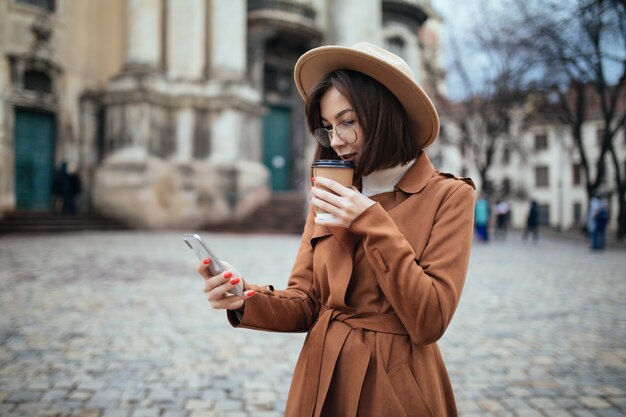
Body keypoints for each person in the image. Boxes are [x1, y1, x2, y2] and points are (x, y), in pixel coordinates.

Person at [197, 42, 476, 417]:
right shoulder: (330, 191)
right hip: (320, 379)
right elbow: (306, 303)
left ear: (385, 114)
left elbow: (430, 319)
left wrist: (370, 221)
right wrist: (243, 296)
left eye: (348, 121)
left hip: (396, 387)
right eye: (328, 127)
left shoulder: (449, 195)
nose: (336, 140)